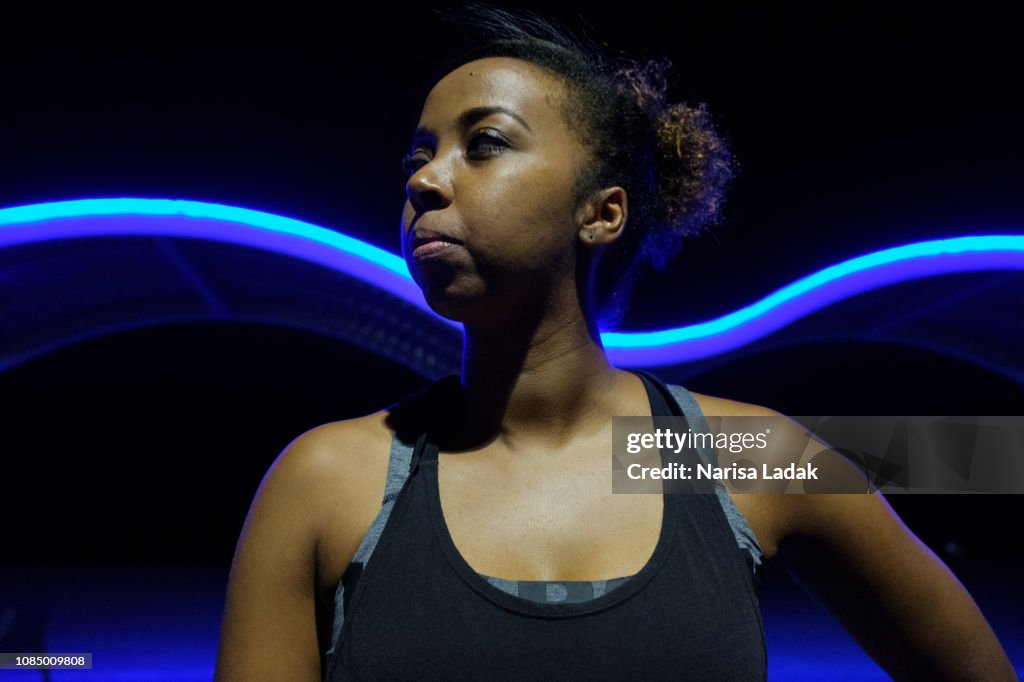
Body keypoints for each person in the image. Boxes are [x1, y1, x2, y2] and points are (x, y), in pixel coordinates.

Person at [213, 5, 1016, 680]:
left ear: (603, 212)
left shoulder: (743, 457)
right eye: (418, 158)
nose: (423, 181)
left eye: (484, 143)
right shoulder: (324, 481)